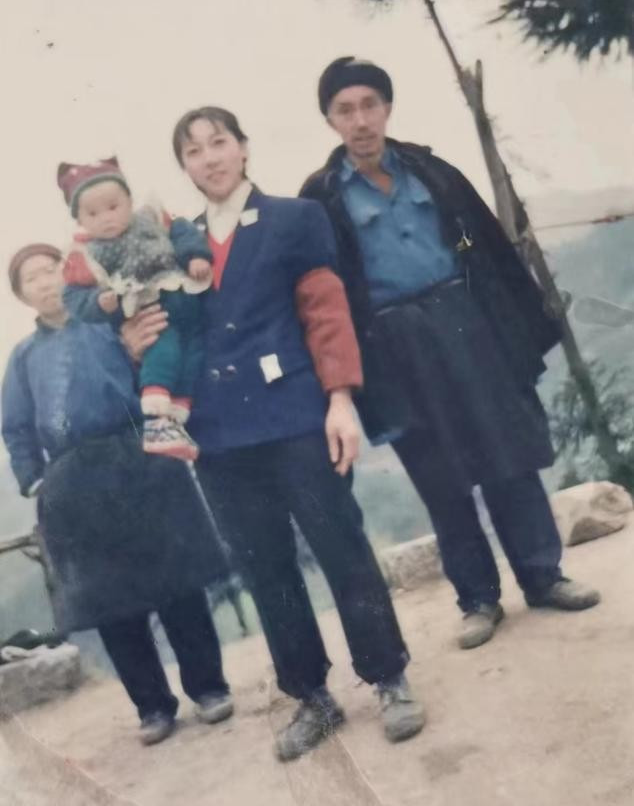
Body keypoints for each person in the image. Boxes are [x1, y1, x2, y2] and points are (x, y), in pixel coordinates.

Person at [131, 105, 425, 761]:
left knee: (342, 547)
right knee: (265, 567)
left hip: (295, 414)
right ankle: (311, 696)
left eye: (219, 142)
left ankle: (389, 678)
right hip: (217, 434)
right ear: (183, 166)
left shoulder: (295, 218)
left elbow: (326, 314)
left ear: (242, 147)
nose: (209, 158)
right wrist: (134, 334)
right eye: (193, 150)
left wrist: (340, 401)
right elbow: (162, 333)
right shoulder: (176, 247)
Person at [300, 56, 600, 651]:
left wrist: (517, 330)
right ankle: (478, 600)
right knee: (440, 476)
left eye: (370, 105)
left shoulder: (432, 172)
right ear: (330, 119)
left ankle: (544, 576)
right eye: (345, 110)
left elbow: (484, 245)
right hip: (393, 349)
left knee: (509, 456)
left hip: (467, 325)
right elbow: (321, 292)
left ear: (387, 108)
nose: (360, 120)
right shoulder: (320, 200)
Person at [2, 244, 233, 746]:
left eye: (50, 270)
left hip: (139, 454)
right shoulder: (23, 359)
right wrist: (36, 479)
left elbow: (159, 366)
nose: (44, 282)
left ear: (70, 273)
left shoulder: (111, 323)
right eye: (31, 278)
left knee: (178, 583)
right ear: (21, 296)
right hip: (75, 480)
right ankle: (152, 707)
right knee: (112, 604)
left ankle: (209, 688)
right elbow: (15, 427)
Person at [57, 156, 213, 460]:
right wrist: (99, 302)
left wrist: (195, 256)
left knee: (194, 353)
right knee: (164, 351)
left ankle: (177, 417)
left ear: (129, 202)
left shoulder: (151, 218)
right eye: (93, 213)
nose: (106, 218)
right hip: (148, 306)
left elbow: (183, 231)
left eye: (113, 207)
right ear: (80, 220)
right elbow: (73, 297)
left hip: (185, 295)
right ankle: (156, 416)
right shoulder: (86, 255)